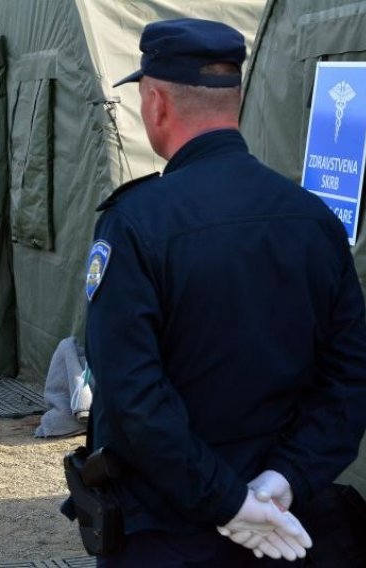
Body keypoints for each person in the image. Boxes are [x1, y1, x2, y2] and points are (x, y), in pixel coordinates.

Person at [79, 17, 366, 566]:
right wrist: (285, 478)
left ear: (156, 102)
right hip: (289, 525)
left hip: (168, 531)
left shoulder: (136, 223)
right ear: (233, 101)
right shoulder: (314, 219)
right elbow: (349, 376)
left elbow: (132, 392)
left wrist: (228, 502)